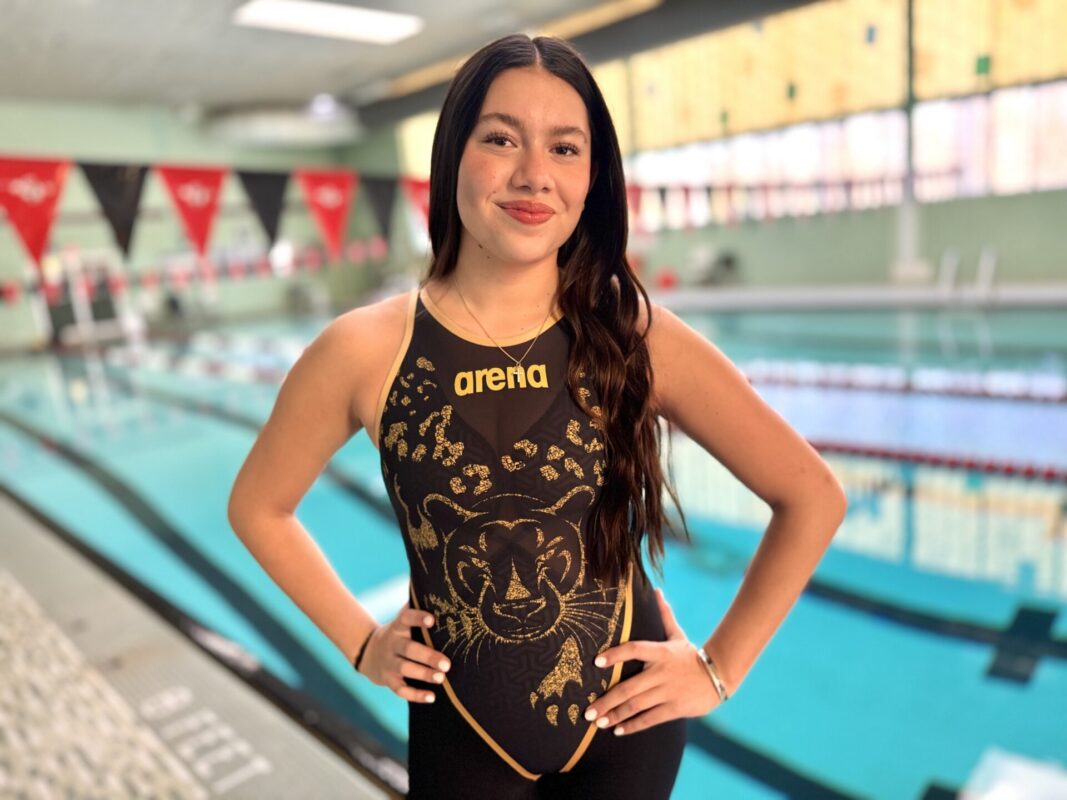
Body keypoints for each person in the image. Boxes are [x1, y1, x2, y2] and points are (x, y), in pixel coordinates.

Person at [227, 33, 847, 800]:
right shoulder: (363, 350)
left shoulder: (635, 337)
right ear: (453, 155)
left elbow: (811, 495)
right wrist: (360, 644)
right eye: (500, 139)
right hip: (461, 727)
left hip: (629, 726)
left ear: (592, 178)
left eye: (564, 148)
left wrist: (718, 670)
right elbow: (258, 506)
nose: (533, 175)